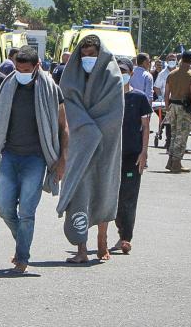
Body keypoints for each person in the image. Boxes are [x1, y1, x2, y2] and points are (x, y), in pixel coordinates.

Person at [0, 45, 68, 273]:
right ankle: (23, 242)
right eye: (18, 68)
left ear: (37, 66)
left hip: (36, 159)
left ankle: (22, 257)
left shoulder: (51, 89)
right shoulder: (8, 85)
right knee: (5, 207)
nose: (21, 72)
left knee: (27, 211)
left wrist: (62, 159)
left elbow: (62, 127)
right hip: (9, 155)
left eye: (26, 69)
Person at [58, 35, 124, 263]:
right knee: (79, 193)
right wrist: (87, 129)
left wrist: (97, 130)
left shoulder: (112, 76)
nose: (87, 58)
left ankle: (102, 242)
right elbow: (70, 105)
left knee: (103, 190)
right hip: (80, 143)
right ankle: (81, 248)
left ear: (100, 53)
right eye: (83, 54)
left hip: (106, 144)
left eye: (92, 54)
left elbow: (115, 112)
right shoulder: (72, 76)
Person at [110, 58, 151, 254]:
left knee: (128, 197)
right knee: (113, 197)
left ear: (132, 73)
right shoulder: (108, 97)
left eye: (125, 71)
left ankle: (126, 237)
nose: (122, 74)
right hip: (111, 156)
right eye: (118, 71)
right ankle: (118, 230)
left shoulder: (139, 98)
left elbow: (145, 127)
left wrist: (144, 152)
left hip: (132, 155)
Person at [163, 51, 191, 173]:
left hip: (173, 105)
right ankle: (176, 163)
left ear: (181, 59)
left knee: (173, 134)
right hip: (184, 108)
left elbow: (166, 92)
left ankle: (170, 161)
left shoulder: (172, 74)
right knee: (182, 135)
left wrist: (167, 107)